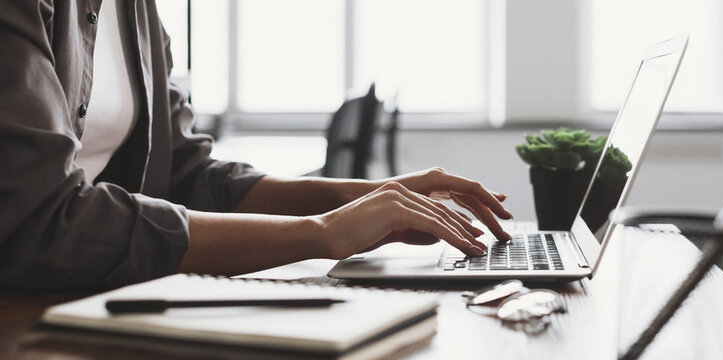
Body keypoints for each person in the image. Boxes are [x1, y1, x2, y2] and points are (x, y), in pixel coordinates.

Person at [0, 0, 512, 290]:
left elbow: (182, 174)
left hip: (88, 300)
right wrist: (322, 233)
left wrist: (371, 199)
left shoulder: (137, 11)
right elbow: (45, 219)